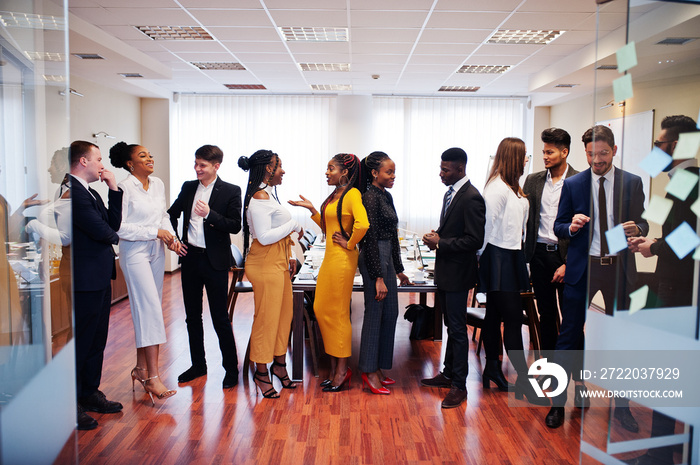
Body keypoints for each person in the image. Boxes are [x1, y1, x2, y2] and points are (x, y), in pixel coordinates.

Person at [546, 125, 648, 429]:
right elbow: (559, 226)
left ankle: (622, 409)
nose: (596, 159)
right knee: (568, 337)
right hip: (583, 267)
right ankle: (557, 406)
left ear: (614, 151)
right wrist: (572, 227)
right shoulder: (575, 184)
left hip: (619, 269)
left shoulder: (632, 182)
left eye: (602, 153)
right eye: (591, 154)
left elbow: (641, 221)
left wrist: (638, 230)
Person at [625, 115, 699, 465]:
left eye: (660, 144)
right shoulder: (683, 180)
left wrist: (652, 248)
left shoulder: (688, 181)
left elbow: (689, 240)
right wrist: (654, 240)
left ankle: (658, 454)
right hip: (678, 284)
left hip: (678, 289)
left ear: (677, 146)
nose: (654, 150)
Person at [289, 153, 369, 392]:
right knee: (322, 309)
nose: (327, 172)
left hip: (342, 259)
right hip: (331, 258)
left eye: (331, 168)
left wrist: (351, 243)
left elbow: (362, 224)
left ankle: (342, 371)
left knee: (337, 313)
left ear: (344, 171)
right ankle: (336, 368)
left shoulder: (352, 193)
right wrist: (314, 209)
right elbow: (330, 226)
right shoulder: (337, 194)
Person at [478, 138, 548, 406]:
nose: (526, 161)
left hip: (512, 255)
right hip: (497, 256)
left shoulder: (514, 188)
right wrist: (481, 260)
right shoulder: (496, 189)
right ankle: (524, 378)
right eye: (524, 157)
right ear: (512, 158)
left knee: (495, 316)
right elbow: (487, 227)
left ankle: (492, 369)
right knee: (512, 318)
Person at [109, 142, 180, 404]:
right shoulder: (123, 188)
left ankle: (140, 369)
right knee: (149, 309)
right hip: (134, 252)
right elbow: (119, 228)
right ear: (130, 163)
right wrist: (155, 232)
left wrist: (169, 235)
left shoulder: (158, 184)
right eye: (142, 156)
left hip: (156, 251)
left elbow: (162, 215)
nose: (150, 158)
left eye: (150, 154)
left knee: (149, 309)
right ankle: (153, 377)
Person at [168, 145, 242, 389]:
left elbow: (234, 226)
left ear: (216, 166)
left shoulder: (231, 190)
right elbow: (172, 213)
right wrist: (174, 240)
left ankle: (231, 369)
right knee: (192, 317)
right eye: (196, 164)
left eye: (202, 165)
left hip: (216, 262)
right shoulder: (189, 187)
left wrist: (210, 214)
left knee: (220, 318)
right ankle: (198, 365)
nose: (197, 169)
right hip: (190, 258)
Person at [420, 147, 485, 409]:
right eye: (441, 168)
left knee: (458, 331)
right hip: (447, 272)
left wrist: (442, 243)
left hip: (458, 275)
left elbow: (474, 240)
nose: (440, 173)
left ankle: (459, 385)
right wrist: (438, 238)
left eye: (445, 169)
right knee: (451, 327)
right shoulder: (452, 193)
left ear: (460, 169)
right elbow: (455, 232)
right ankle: (448, 374)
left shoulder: (471, 197)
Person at [68, 140, 124, 430]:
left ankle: (90, 393)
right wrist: (113, 236)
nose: (103, 165)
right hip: (85, 279)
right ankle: (72, 402)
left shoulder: (91, 191)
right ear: (83, 162)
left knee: (97, 341)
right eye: (98, 159)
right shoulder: (72, 192)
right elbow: (104, 231)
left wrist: (113, 188)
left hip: (100, 277)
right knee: (84, 342)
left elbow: (113, 223)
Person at [238, 150, 302, 399]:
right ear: (267, 169)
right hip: (264, 264)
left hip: (277, 261)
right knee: (266, 318)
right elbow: (264, 238)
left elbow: (274, 232)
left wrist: (290, 255)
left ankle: (279, 363)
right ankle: (261, 371)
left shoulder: (269, 195)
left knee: (283, 316)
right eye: (279, 166)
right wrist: (294, 224)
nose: (283, 171)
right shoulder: (259, 197)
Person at [357, 152, 411, 395]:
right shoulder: (369, 197)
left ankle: (379, 366)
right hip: (374, 257)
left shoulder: (386, 196)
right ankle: (368, 370)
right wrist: (378, 276)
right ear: (374, 173)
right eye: (389, 172)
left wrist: (399, 270)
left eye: (394, 172)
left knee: (391, 312)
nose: (393, 176)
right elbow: (369, 240)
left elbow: (393, 234)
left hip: (387, 255)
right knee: (375, 312)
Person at [523, 129, 579, 353]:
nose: (545, 156)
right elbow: (526, 219)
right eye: (544, 151)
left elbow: (585, 230)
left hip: (566, 257)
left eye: (550, 152)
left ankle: (576, 373)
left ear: (564, 152)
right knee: (545, 313)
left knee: (570, 316)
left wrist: (569, 263)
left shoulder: (580, 180)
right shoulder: (533, 180)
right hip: (538, 254)